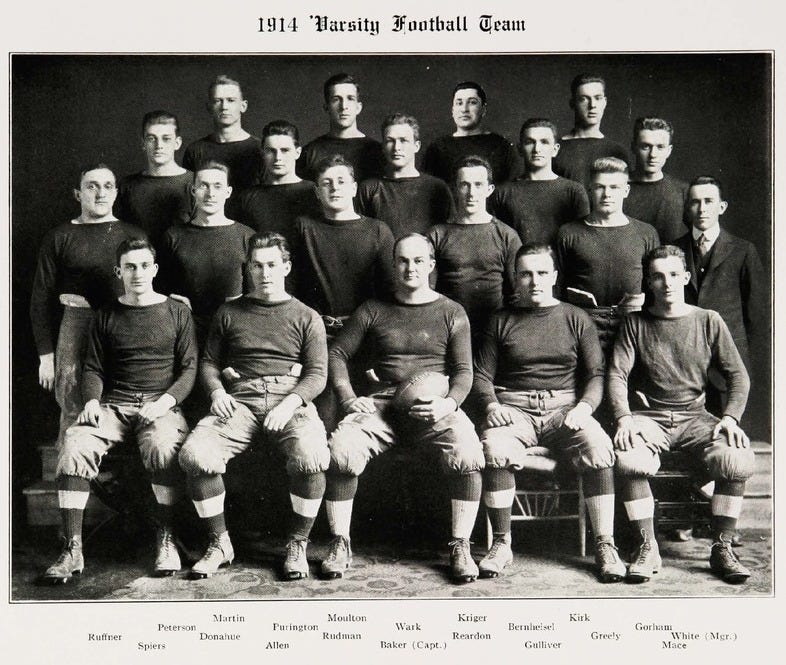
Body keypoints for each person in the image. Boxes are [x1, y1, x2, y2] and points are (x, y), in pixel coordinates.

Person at [320, 234, 485, 583]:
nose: (411, 268)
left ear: (431, 265)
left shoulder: (452, 311)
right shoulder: (373, 309)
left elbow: (464, 372)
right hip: (382, 404)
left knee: (468, 453)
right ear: (394, 265)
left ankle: (461, 545)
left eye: (418, 260)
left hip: (434, 405)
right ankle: (339, 542)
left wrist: (447, 404)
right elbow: (337, 353)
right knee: (341, 450)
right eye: (403, 260)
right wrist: (349, 398)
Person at [41, 237, 197, 583]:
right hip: (114, 404)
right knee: (75, 444)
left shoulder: (177, 312)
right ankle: (72, 549)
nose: (137, 273)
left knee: (163, 447)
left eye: (144, 266)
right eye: (130, 267)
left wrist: (164, 403)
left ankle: (166, 537)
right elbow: (94, 368)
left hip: (160, 404)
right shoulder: (106, 315)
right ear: (119, 272)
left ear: (154, 269)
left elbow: (189, 369)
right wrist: (92, 401)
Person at [178, 233, 329, 580]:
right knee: (196, 455)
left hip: (290, 396)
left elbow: (317, 374)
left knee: (311, 456)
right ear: (248, 269)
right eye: (257, 266)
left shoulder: (307, 316)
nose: (265, 273)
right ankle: (219, 544)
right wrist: (217, 393)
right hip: (239, 398)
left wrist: (289, 404)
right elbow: (209, 363)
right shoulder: (229, 312)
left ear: (286, 267)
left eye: (272, 264)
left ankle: (297, 544)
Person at [473, 244, 622, 582]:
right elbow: (481, 376)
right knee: (494, 447)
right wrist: (492, 405)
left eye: (542, 273)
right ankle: (501, 543)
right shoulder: (501, 320)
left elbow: (596, 374)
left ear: (554, 276)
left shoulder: (576, 318)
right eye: (526, 274)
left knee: (599, 447)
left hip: (565, 409)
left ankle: (605, 545)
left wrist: (584, 408)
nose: (535, 281)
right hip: (515, 409)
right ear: (516, 278)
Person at [609, 245, 755, 584]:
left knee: (735, 457)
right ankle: (647, 546)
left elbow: (738, 376)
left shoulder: (708, 320)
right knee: (630, 457)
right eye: (658, 277)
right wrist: (625, 418)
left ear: (686, 277)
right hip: (650, 417)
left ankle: (722, 547)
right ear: (649, 282)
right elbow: (617, 374)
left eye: (674, 274)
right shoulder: (635, 323)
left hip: (695, 417)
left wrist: (730, 418)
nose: (667, 283)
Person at [30, 164, 145, 446]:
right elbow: (40, 298)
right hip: (76, 324)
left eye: (107, 186)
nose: (100, 193)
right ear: (78, 194)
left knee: (123, 397)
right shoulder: (60, 236)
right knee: (71, 395)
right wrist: (46, 356)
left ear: (116, 193)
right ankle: (73, 464)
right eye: (92, 186)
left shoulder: (133, 236)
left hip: (124, 323)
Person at [555, 157, 659, 356]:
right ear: (590, 189)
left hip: (631, 325)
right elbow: (557, 287)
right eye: (600, 187)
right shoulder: (568, 233)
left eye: (614, 187)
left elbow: (654, 287)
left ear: (626, 190)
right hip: (583, 325)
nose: (607, 194)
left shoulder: (646, 233)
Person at [158, 161, 255, 348]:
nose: (211, 194)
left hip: (233, 334)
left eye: (218, 186)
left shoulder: (247, 237)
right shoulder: (173, 236)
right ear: (193, 191)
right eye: (204, 186)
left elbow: (255, 294)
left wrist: (241, 304)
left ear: (228, 192)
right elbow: (159, 290)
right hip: (185, 334)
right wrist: (170, 298)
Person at [429, 156, 521, 348]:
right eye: (464, 185)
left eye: (478, 185)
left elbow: (517, 294)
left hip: (494, 334)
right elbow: (428, 292)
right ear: (454, 188)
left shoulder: (506, 235)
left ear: (489, 189)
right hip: (447, 331)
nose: (471, 193)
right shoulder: (436, 235)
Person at [675, 176, 765, 373]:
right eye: (695, 202)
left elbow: (756, 315)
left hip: (729, 361)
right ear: (687, 207)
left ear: (722, 207)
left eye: (708, 201)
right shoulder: (673, 249)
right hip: (683, 360)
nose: (702, 209)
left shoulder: (743, 251)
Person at [490, 118, 589, 245]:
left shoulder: (573, 191)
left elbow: (581, 242)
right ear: (520, 149)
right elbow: (497, 241)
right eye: (529, 142)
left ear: (555, 149)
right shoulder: (502, 193)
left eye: (544, 142)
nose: (537, 149)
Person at [357, 113, 454, 237]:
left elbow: (450, 235)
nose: (397, 147)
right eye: (390, 141)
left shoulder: (437, 187)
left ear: (416, 146)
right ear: (383, 147)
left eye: (403, 141)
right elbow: (362, 236)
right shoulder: (369, 188)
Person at [182, 75, 263, 215]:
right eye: (217, 101)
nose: (224, 107)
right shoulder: (195, 150)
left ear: (243, 106)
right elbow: (189, 199)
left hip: (250, 224)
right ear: (209, 107)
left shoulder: (260, 149)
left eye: (231, 100)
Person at [116, 110, 193, 248]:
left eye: (166, 138)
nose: (159, 146)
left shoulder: (195, 183)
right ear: (143, 143)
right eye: (152, 138)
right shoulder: (127, 185)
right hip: (138, 260)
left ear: (177, 143)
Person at [236, 120, 320, 246]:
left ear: (297, 152)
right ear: (263, 153)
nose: (278, 158)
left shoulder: (315, 192)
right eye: (271, 151)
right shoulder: (247, 198)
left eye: (285, 150)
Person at [423, 81, 520, 185]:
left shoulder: (501, 146)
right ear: (453, 110)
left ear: (483, 109)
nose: (464, 109)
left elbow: (510, 189)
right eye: (459, 103)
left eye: (472, 102)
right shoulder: (437, 148)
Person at [296, 73, 385, 184]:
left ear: (358, 107)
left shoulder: (377, 151)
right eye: (336, 99)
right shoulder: (310, 153)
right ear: (326, 108)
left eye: (350, 98)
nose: (343, 106)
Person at [553, 74, 632, 189]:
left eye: (597, 98)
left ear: (605, 102)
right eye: (584, 99)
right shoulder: (554, 150)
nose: (592, 105)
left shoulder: (618, 151)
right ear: (572, 103)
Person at [624, 117, 688, 243]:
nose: (653, 155)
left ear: (669, 151)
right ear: (633, 147)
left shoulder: (682, 191)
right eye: (645, 147)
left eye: (660, 147)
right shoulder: (616, 188)